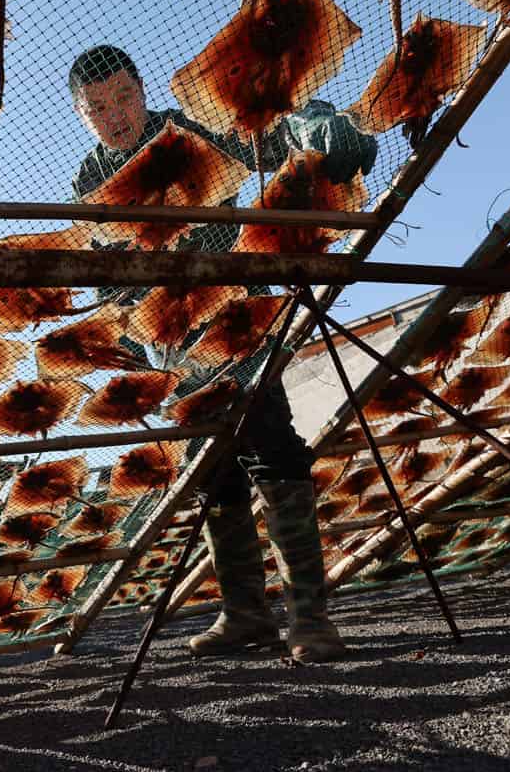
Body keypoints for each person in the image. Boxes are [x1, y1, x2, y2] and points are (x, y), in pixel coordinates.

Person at [67, 44, 376, 664]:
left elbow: (266, 137)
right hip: (169, 344)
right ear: (82, 115)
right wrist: (124, 340)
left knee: (273, 449)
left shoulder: (185, 129)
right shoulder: (87, 177)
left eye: (124, 95)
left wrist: (318, 125)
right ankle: (244, 615)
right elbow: (105, 266)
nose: (115, 113)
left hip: (236, 320)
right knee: (213, 471)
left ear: (142, 90)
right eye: (98, 106)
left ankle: (310, 619)